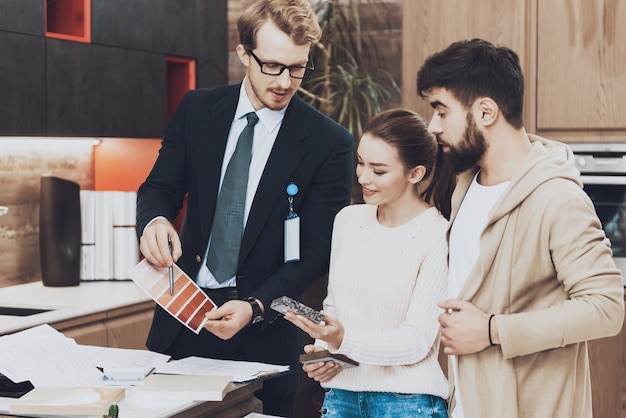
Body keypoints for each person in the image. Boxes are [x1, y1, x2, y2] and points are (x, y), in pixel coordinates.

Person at [135, 0, 354, 415]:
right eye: (272, 66)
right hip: (180, 329)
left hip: (264, 340)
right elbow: (158, 188)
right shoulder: (197, 110)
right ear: (243, 55)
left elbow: (316, 252)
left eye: (297, 67)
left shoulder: (330, 143)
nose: (285, 82)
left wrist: (255, 307)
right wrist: (154, 220)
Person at [416, 38, 625, 418]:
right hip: (466, 403)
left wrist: (493, 330)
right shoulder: (466, 184)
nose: (433, 125)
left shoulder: (557, 199)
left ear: (485, 111)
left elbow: (606, 307)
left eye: (442, 111)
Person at [284, 108, 456, 418]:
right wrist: (328, 353)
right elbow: (335, 308)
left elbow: (417, 341)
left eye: (378, 170)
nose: (363, 177)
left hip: (408, 403)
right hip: (342, 396)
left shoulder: (437, 234)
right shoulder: (348, 221)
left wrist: (343, 341)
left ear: (414, 173)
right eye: (360, 163)